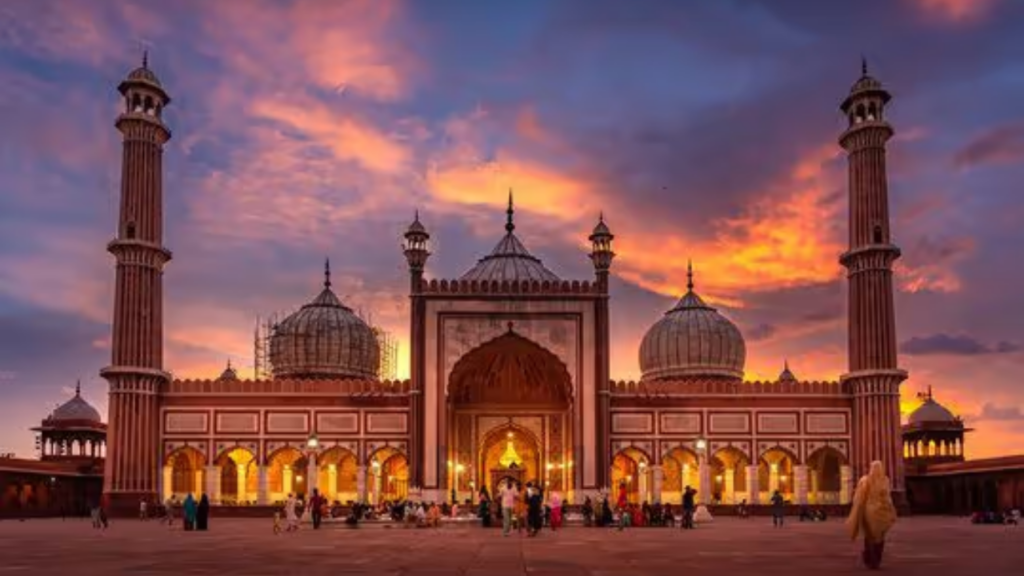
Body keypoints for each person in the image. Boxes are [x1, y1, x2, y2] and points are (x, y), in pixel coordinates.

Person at [846, 460, 897, 570]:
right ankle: (876, 560)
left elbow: (859, 498)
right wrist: (891, 510)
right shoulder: (885, 480)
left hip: (868, 512)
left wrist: (856, 512)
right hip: (881, 512)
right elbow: (887, 498)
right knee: (880, 537)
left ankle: (870, 559)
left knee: (869, 537)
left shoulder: (865, 480)